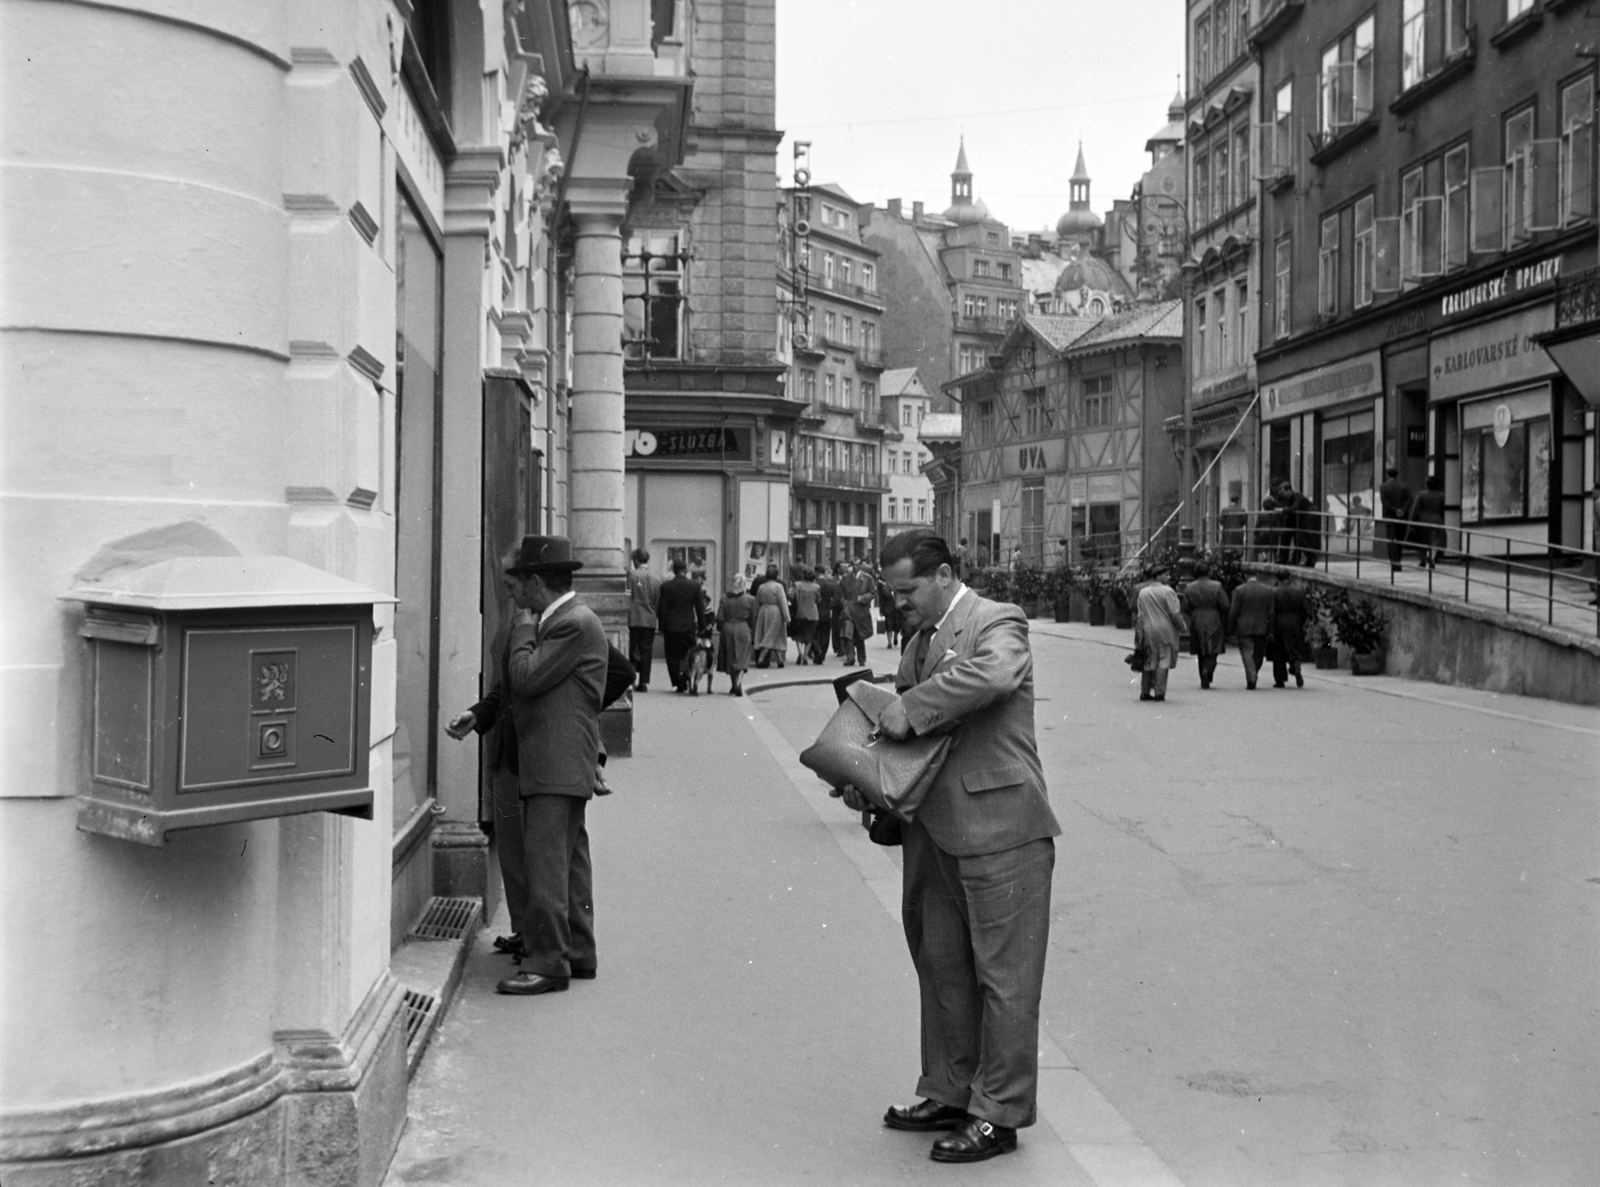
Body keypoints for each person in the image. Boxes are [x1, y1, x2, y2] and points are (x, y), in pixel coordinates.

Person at [833, 529, 1059, 1165]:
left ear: (943, 575)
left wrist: (912, 708)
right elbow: (901, 742)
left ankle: (999, 1113)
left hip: (1002, 829)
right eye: (891, 591)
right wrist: (862, 775)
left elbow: (993, 676)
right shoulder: (916, 645)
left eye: (906, 590)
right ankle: (950, 1090)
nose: (897, 602)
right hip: (932, 833)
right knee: (943, 966)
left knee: (1005, 978)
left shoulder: (997, 622)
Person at [447, 535, 607, 995]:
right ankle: (577, 952)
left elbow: (526, 677)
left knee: (547, 867)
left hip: (554, 764)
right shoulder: (565, 621)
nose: (512, 595)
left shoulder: (569, 624)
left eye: (515, 585)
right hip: (557, 763)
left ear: (536, 582)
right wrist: (481, 714)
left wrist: (521, 632)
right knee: (568, 862)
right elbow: (519, 688)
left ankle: (548, 963)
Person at [1133, 568, 1185, 702]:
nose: (1168, 577)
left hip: (1147, 628)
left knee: (1148, 660)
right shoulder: (1168, 591)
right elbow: (1174, 613)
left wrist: (1139, 632)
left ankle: (1145, 691)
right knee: (1164, 659)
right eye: (1165, 574)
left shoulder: (1143, 592)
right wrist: (1182, 626)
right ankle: (1159, 692)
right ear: (1158, 576)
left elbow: (1140, 614)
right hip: (1164, 630)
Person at [656, 558, 706, 693]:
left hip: (671, 627)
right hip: (688, 626)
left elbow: (662, 609)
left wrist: (661, 627)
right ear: (686, 570)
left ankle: (677, 683)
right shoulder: (695, 586)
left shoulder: (666, 586)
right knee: (689, 654)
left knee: (672, 656)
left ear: (673, 571)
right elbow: (699, 608)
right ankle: (686, 678)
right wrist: (702, 626)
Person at [1180, 560, 1230, 690]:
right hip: (1213, 616)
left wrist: (1194, 613)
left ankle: (1203, 673)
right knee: (1214, 647)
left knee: (1200, 648)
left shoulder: (1190, 587)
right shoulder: (1217, 586)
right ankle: (1208, 669)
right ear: (1208, 572)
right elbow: (1225, 605)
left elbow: (1185, 606)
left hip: (1197, 617)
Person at [1227, 571, 1276, 690]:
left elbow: (1234, 611)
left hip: (1244, 627)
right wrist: (1270, 630)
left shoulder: (1239, 590)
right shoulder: (1267, 590)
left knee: (1247, 653)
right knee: (1258, 655)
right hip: (1261, 627)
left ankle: (1251, 676)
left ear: (1245, 576)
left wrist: (1231, 628)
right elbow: (1271, 612)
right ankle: (1253, 674)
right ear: (1257, 576)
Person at [626, 548, 661, 691]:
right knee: (646, 652)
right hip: (650, 619)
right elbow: (658, 601)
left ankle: (631, 680)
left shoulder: (633, 575)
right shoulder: (655, 577)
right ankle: (644, 682)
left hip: (634, 618)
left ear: (635, 560)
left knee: (632, 650)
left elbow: (628, 595)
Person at [716, 573, 756, 695]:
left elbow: (719, 617)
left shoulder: (724, 598)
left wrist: (721, 626)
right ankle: (739, 682)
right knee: (742, 658)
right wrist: (751, 631)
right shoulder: (750, 599)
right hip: (743, 628)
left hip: (728, 628)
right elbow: (752, 619)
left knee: (730, 657)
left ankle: (734, 684)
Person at [1271, 573, 1310, 689]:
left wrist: (1270, 627)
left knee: (1278, 650)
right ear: (1289, 578)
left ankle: (1280, 679)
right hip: (1295, 621)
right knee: (1295, 647)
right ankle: (1296, 667)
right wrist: (1300, 621)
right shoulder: (1298, 592)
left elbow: (1271, 611)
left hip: (1279, 621)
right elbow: (1304, 610)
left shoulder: (1273, 592)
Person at [752, 563, 791, 668]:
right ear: (776, 576)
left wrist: (756, 613)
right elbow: (783, 602)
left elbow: (757, 602)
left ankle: (779, 659)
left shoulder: (761, 586)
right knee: (774, 634)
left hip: (763, 611)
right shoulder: (778, 586)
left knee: (769, 634)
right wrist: (787, 617)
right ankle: (761, 658)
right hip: (776, 611)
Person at [841, 560, 875, 665]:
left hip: (861, 611)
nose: (855, 567)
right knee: (848, 634)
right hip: (849, 611)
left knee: (860, 635)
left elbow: (873, 593)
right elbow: (841, 593)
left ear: (860, 566)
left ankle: (861, 659)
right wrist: (845, 604)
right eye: (853, 565)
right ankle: (850, 658)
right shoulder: (846, 578)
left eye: (857, 565)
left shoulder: (868, 578)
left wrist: (863, 598)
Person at [1378, 468, 1413, 573]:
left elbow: (1385, 502)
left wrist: (1394, 510)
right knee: (1400, 540)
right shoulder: (1404, 486)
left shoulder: (1383, 487)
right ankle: (1398, 560)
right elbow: (1409, 499)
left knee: (1392, 540)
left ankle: (1395, 563)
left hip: (1390, 517)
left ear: (1387, 475)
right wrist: (1402, 510)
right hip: (1402, 517)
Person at [1410, 475, 1446, 569]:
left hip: (1423, 519)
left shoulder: (1421, 494)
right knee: (1435, 540)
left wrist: (1412, 521)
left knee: (1422, 540)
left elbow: (1416, 508)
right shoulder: (1441, 495)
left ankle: (1422, 560)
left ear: (1427, 485)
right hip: (1436, 519)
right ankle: (1432, 558)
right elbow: (1442, 509)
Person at [791, 566, 821, 665]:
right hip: (813, 615)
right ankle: (805, 657)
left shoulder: (797, 585)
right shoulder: (816, 587)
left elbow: (791, 596)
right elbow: (818, 600)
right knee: (809, 636)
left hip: (800, 613)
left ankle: (799, 653)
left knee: (799, 635)